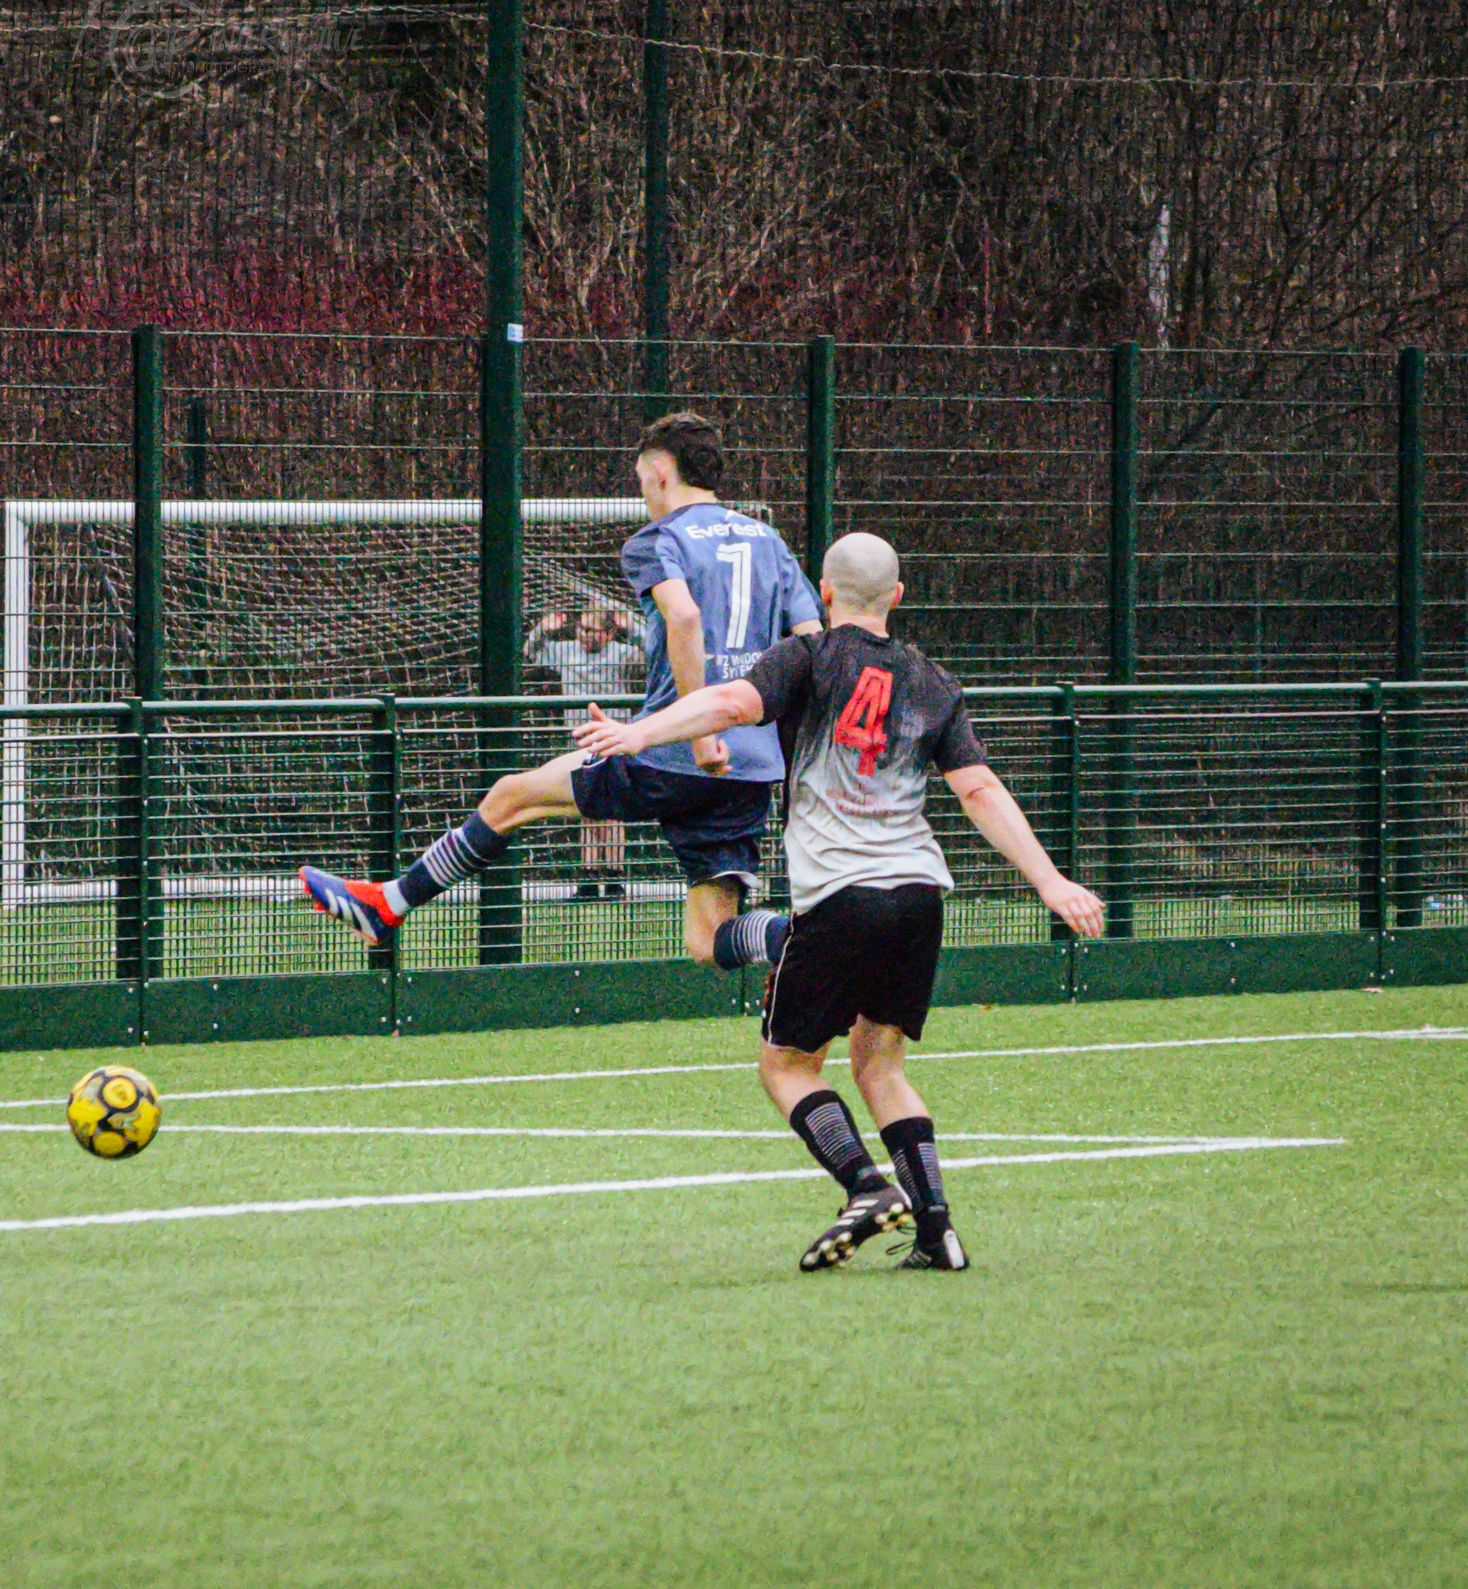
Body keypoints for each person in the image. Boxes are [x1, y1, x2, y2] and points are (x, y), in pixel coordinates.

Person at [572, 532, 1106, 1271]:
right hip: (920, 893)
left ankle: (865, 1187)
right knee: (880, 1067)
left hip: (841, 897)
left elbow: (728, 701)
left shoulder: (809, 656)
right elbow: (979, 790)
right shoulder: (933, 682)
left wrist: (635, 734)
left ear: (823, 593)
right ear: (898, 595)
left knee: (787, 1066)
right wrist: (1051, 881)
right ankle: (937, 1233)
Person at [302, 411, 822, 971]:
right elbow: (814, 644)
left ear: (663, 472)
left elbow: (686, 617)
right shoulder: (769, 541)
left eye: (642, 478)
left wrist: (702, 736)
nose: (643, 491)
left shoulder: (657, 540)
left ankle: (389, 904)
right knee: (711, 942)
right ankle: (805, 937)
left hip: (673, 752)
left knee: (509, 797)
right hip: (751, 768)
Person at [524, 604, 639, 900]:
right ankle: (588, 878)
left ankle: (614, 879)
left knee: (612, 812)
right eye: (582, 630)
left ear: (610, 633)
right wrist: (543, 629)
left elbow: (654, 654)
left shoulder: (623, 654)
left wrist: (632, 627)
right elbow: (530, 651)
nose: (586, 637)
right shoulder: (564, 651)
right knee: (586, 810)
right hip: (581, 743)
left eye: (594, 631)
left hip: (613, 741)